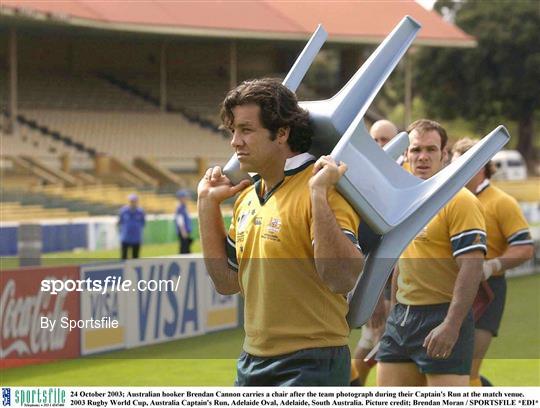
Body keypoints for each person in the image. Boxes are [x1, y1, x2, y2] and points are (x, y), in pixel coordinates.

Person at [197, 78, 363, 386]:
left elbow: (342, 278)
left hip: (312, 363)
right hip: (252, 361)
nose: (235, 141)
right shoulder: (247, 197)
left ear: (282, 133)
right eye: (233, 130)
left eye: (246, 130)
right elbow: (226, 282)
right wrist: (206, 206)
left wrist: (317, 195)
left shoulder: (325, 189)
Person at [377, 119, 487, 386]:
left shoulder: (460, 200)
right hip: (402, 317)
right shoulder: (401, 200)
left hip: (443, 315)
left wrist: (452, 325)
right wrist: (392, 311)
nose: (422, 157)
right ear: (406, 154)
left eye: (431, 149)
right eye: (416, 150)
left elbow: (472, 266)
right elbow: (401, 260)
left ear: (444, 155)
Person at [451, 137, 534, 387]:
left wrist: (491, 266)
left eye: (462, 165)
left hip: (487, 292)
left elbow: (524, 247)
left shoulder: (501, 202)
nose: (455, 171)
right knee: (446, 370)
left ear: (480, 166)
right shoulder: (449, 201)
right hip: (449, 289)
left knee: (467, 371)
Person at [351, 119, 399, 385]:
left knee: (380, 342)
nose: (382, 145)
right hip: (379, 281)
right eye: (377, 140)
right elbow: (366, 244)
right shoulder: (363, 183)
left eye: (387, 139)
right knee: (376, 339)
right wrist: (375, 295)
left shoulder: (406, 178)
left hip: (407, 280)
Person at [118, 193, 146, 259]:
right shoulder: (123, 211)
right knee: (123, 257)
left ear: (137, 202)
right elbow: (120, 222)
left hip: (136, 239)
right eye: (131, 201)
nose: (133, 203)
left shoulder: (140, 212)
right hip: (125, 238)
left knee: (135, 258)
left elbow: (143, 223)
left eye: (134, 201)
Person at [175, 189, 193, 254]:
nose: (186, 199)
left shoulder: (184, 207)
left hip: (185, 232)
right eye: (184, 197)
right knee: (184, 250)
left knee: (186, 249)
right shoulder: (180, 208)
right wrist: (183, 232)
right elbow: (180, 221)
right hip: (183, 232)